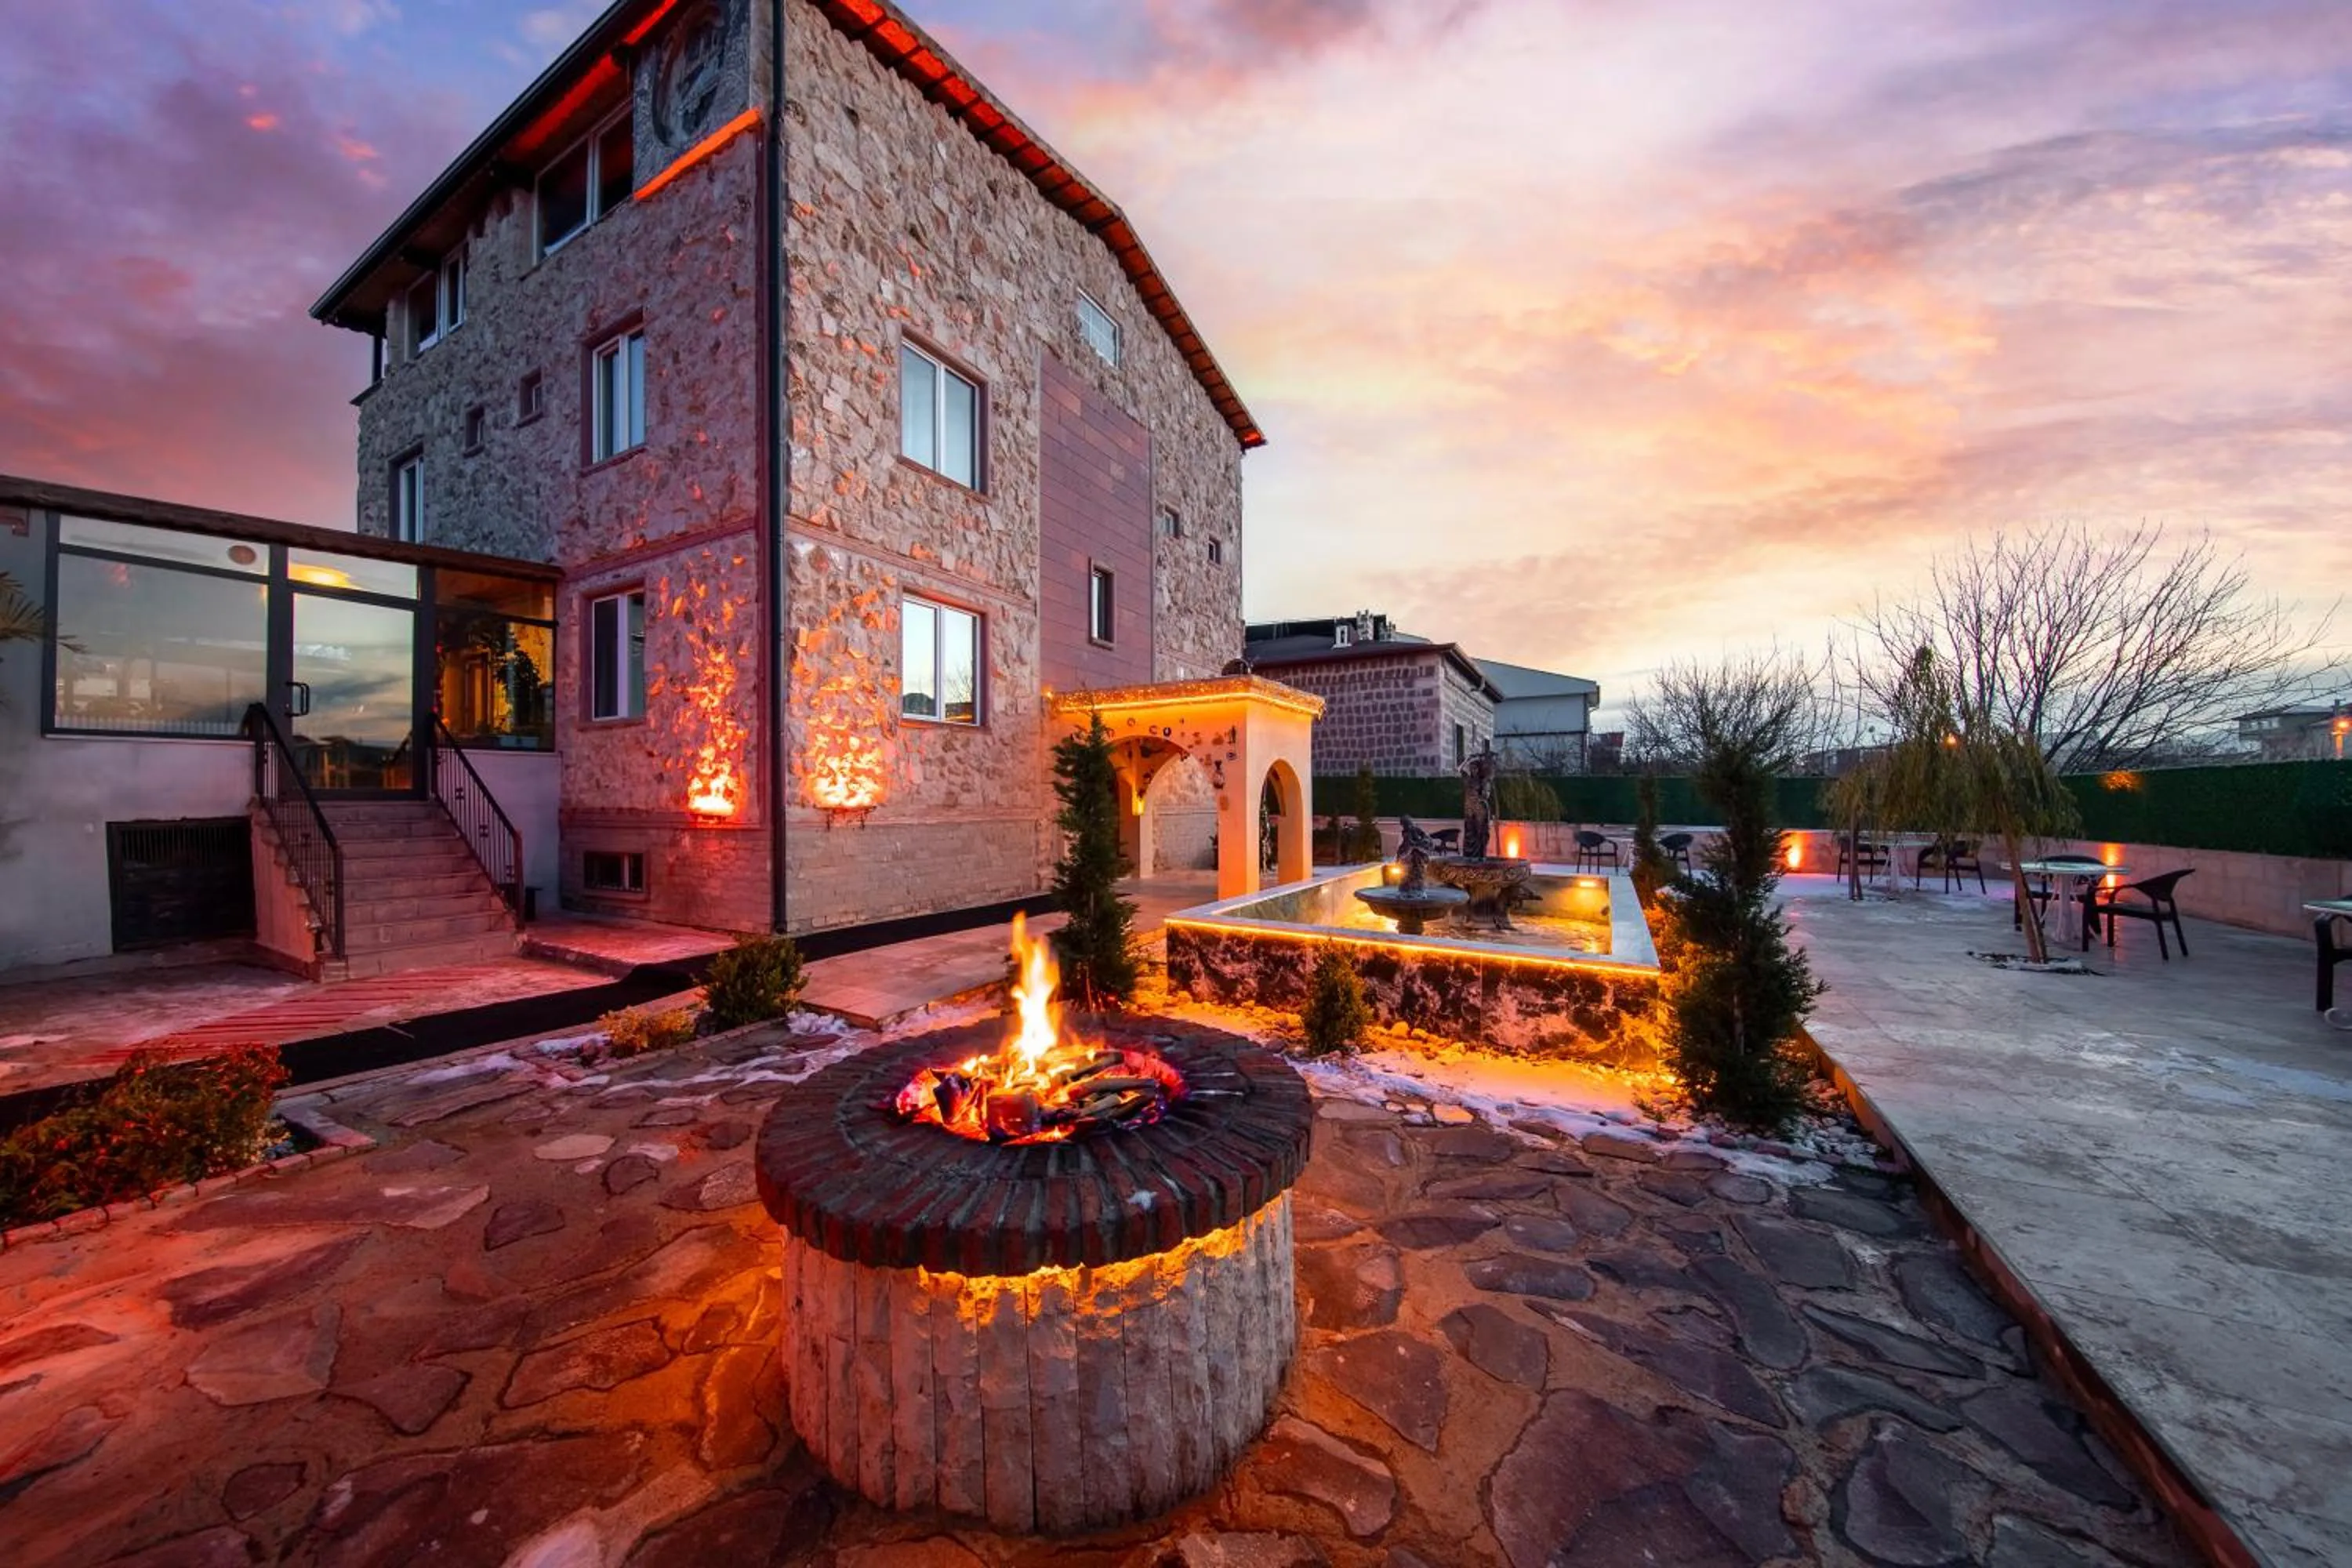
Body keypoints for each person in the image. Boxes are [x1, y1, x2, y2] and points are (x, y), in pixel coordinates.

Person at [1460, 740, 1498, 860]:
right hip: (1469, 807)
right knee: (1470, 832)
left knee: (1480, 832)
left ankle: (1480, 855)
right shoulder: (1467, 779)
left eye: (1475, 768)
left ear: (1479, 769)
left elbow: (1485, 794)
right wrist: (1468, 759)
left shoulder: (1483, 781)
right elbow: (1458, 769)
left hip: (1479, 808)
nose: (1472, 770)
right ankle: (1469, 856)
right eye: (1471, 768)